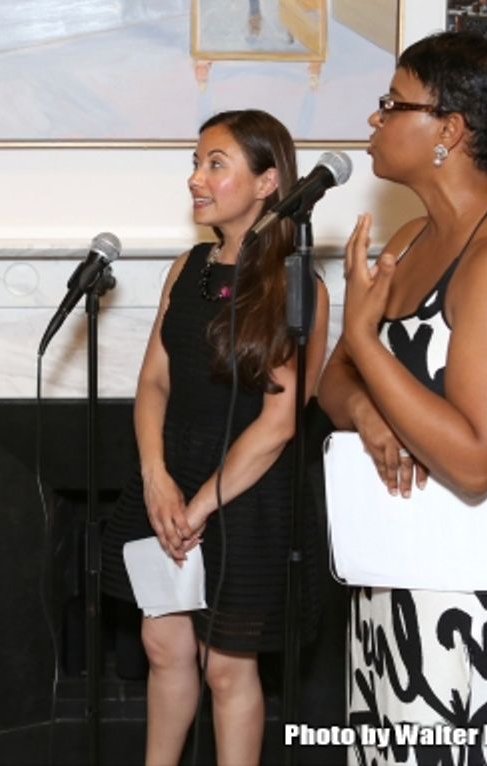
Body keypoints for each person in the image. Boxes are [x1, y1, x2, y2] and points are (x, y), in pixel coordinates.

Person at [318, 31, 487, 765]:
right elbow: (332, 381)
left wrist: (365, 339)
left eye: (392, 104)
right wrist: (368, 413)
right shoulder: (412, 239)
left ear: (449, 129)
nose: (374, 118)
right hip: (404, 560)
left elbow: (474, 462)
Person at [101, 109, 331, 765]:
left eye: (216, 164)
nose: (195, 179)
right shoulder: (188, 267)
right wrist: (156, 478)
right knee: (163, 646)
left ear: (267, 182)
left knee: (227, 668)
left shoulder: (296, 286)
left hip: (245, 495)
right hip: (169, 482)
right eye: (196, 163)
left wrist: (200, 506)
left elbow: (279, 423)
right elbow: (154, 383)